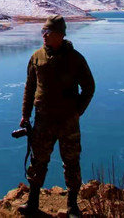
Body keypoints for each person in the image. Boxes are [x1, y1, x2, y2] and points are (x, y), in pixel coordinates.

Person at [19, 15, 95, 217]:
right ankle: (32, 203)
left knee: (71, 162)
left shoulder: (75, 58)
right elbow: (30, 88)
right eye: (42, 31)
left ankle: (72, 206)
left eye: (48, 32)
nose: (44, 35)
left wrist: (77, 111)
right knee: (38, 161)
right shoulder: (37, 57)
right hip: (43, 120)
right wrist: (25, 115)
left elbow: (89, 87)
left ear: (60, 35)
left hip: (68, 121)